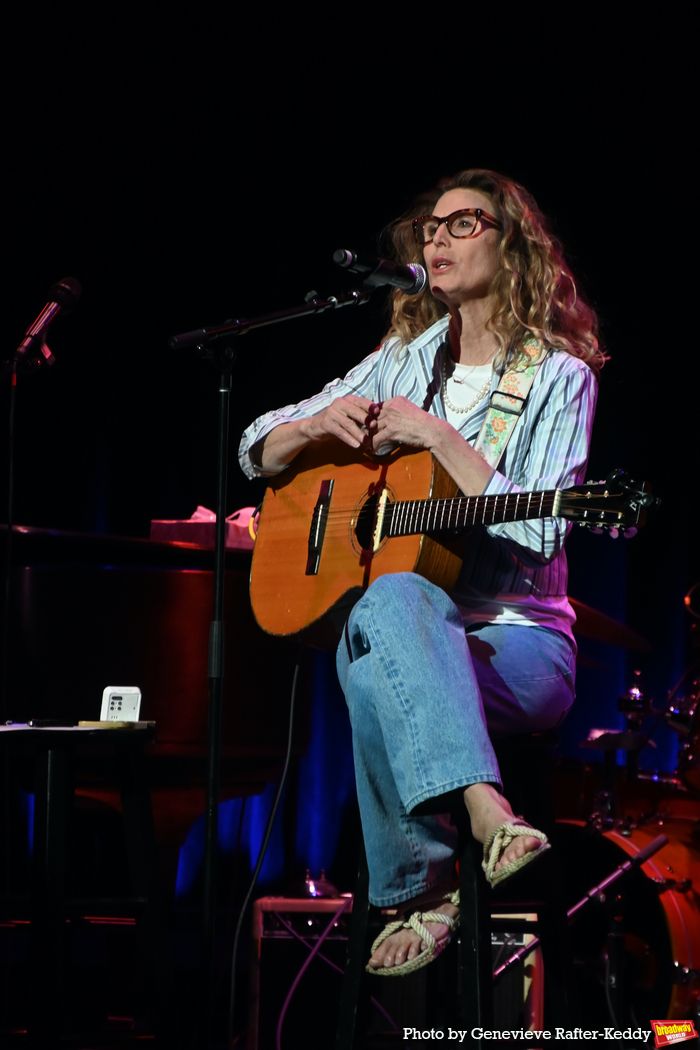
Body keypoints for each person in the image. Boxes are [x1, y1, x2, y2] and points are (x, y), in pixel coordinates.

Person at [238, 168, 605, 977]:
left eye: (463, 224)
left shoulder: (556, 377)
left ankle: (420, 889)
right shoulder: (400, 359)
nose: (435, 238)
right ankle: (486, 815)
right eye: (430, 227)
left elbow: (542, 528)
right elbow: (255, 444)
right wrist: (308, 430)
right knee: (389, 611)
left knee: (375, 640)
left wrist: (440, 438)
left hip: (517, 644)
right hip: (410, 628)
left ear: (513, 247)